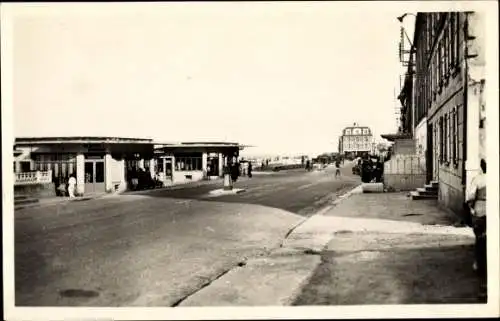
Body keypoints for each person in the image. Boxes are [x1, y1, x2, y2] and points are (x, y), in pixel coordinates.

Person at [465, 159, 487, 298]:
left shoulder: (478, 179)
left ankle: (479, 264)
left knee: (480, 239)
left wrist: (471, 207)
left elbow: (471, 196)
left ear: (482, 167)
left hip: (481, 210)